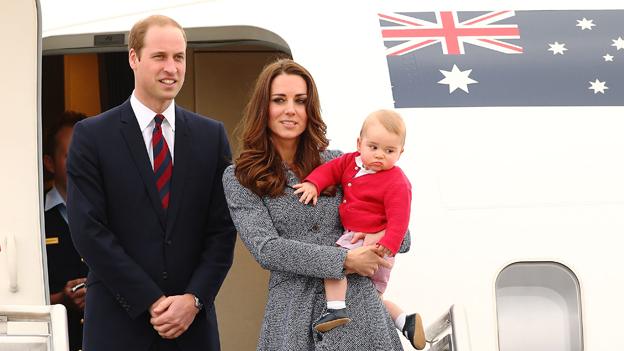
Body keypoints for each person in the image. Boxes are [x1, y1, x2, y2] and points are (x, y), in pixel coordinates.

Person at [66, 15, 236, 351]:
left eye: (179, 57)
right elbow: (89, 231)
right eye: (159, 57)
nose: (171, 68)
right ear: (133, 58)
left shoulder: (211, 136)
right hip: (118, 327)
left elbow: (223, 230)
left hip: (193, 328)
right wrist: (151, 301)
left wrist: (194, 300)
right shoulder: (92, 136)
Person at [222, 58, 411, 350]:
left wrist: (374, 237)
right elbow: (267, 249)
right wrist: (344, 260)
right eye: (279, 100)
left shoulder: (343, 161)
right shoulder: (240, 177)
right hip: (291, 315)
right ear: (264, 107)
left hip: (359, 309)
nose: (290, 110)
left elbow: (401, 228)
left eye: (300, 101)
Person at [293, 109, 425, 349]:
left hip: (370, 244)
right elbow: (329, 171)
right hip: (362, 239)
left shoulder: (396, 181)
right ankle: (405, 321)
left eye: (389, 151)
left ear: (400, 153)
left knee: (334, 263)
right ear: (359, 143)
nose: (379, 156)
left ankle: (335, 309)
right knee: (374, 297)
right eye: (373, 147)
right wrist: (314, 183)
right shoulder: (349, 162)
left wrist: (385, 246)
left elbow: (400, 220)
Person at [43, 111, 88, 351]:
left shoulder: (114, 213)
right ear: (49, 163)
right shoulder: (34, 218)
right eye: (72, 156)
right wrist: (62, 299)